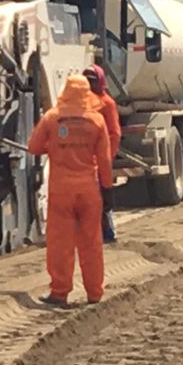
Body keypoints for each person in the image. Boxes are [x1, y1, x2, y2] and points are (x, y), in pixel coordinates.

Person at [28, 73, 113, 305]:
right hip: (88, 191)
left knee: (60, 244)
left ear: (65, 91)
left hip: (61, 192)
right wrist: (107, 189)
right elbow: (104, 160)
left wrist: (55, 147)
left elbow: (34, 147)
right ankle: (94, 293)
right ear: (87, 93)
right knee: (91, 243)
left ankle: (60, 292)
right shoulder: (97, 121)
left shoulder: (51, 118)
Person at [83, 64, 121, 243]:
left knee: (104, 201)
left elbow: (114, 134)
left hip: (100, 161)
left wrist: (106, 159)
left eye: (92, 80)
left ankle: (108, 233)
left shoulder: (107, 103)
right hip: (83, 163)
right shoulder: (81, 104)